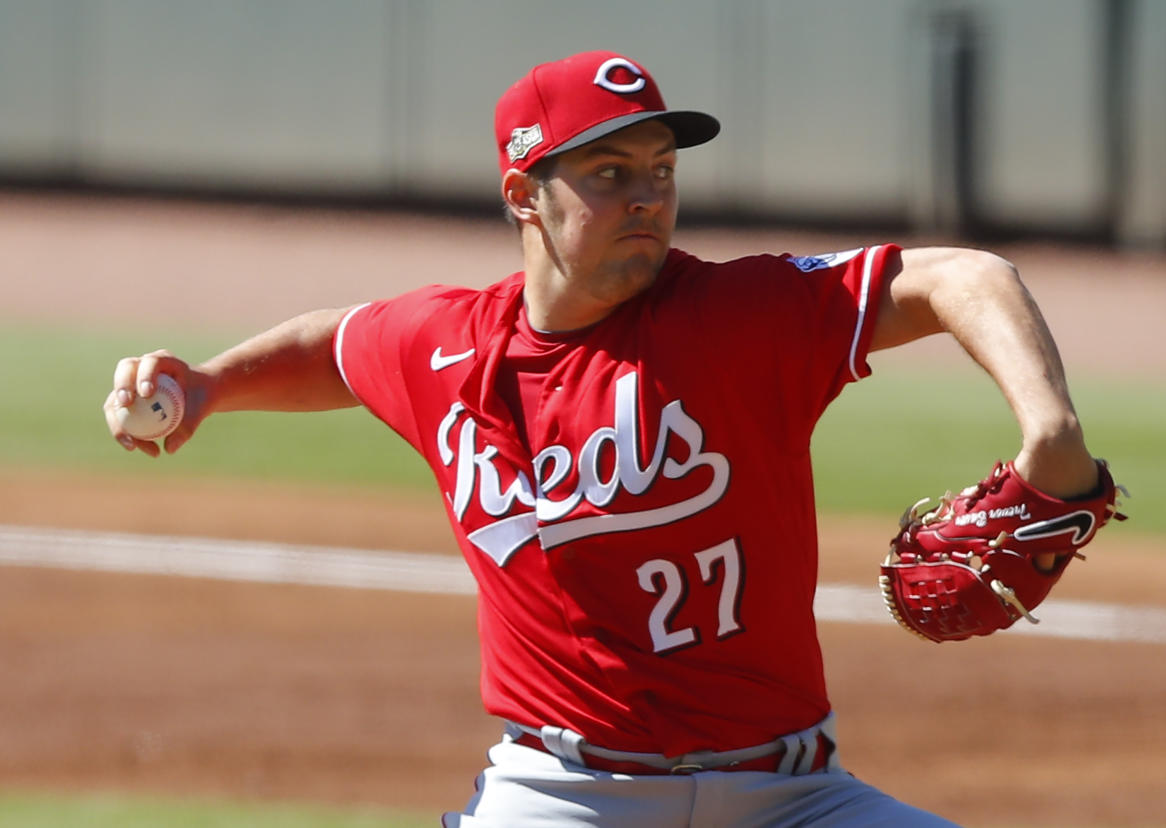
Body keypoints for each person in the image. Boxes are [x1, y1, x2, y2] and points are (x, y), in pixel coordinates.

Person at [104, 51, 1106, 826]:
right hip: (562, 798)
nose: (647, 196)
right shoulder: (447, 347)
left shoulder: (737, 316)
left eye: (662, 170)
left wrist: (1050, 431)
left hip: (792, 798)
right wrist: (206, 384)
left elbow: (961, 276)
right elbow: (340, 348)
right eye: (610, 171)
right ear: (521, 195)